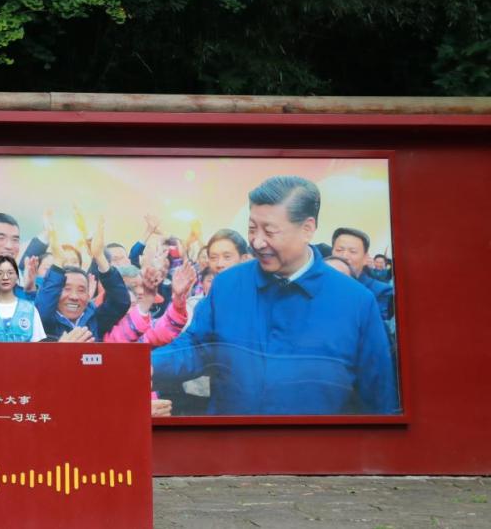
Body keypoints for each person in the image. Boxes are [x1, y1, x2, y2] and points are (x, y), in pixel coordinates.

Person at [151, 176, 399, 416]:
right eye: (252, 229)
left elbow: (378, 398)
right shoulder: (228, 285)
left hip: (316, 443)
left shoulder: (355, 302)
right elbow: (197, 347)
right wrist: (149, 366)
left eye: (270, 231)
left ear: (307, 229)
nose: (257, 242)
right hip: (232, 441)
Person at [35, 217, 130, 341]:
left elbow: (120, 302)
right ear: (56, 293)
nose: (74, 296)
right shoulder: (44, 322)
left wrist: (100, 257)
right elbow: (44, 306)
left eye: (81, 290)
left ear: (88, 295)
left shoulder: (96, 319)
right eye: (67, 289)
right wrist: (58, 261)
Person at [331, 227, 395, 325]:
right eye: (339, 250)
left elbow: (379, 327)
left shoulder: (381, 291)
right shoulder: (319, 285)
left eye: (352, 251)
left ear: (365, 258)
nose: (344, 256)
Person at [0, 256, 47, 342]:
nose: (5, 277)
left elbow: (37, 346)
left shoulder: (30, 310)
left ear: (17, 276)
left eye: (10, 273)